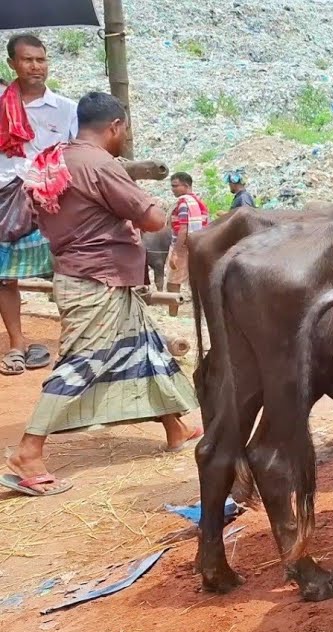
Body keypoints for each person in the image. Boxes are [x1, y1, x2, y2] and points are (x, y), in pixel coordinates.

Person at [2, 92, 200, 497]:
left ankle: (175, 426)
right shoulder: (99, 164)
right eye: (124, 129)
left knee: (146, 349)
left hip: (87, 273)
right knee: (81, 362)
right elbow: (152, 217)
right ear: (115, 127)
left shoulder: (56, 157)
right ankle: (28, 450)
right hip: (98, 278)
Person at [0, 34, 77, 376]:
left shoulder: (66, 109)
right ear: (11, 64)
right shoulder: (0, 103)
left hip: (52, 202)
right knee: (3, 279)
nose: (36, 66)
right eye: (28, 60)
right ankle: (17, 345)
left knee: (67, 271)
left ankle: (71, 345)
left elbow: (78, 154)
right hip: (4, 201)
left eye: (41, 59)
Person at [164, 172, 208, 313]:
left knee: (173, 281)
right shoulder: (199, 202)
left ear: (186, 185)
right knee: (197, 281)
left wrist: (176, 252)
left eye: (175, 186)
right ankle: (201, 312)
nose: (173, 189)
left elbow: (183, 228)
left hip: (183, 247)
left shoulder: (183, 203)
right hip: (199, 246)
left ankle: (172, 313)